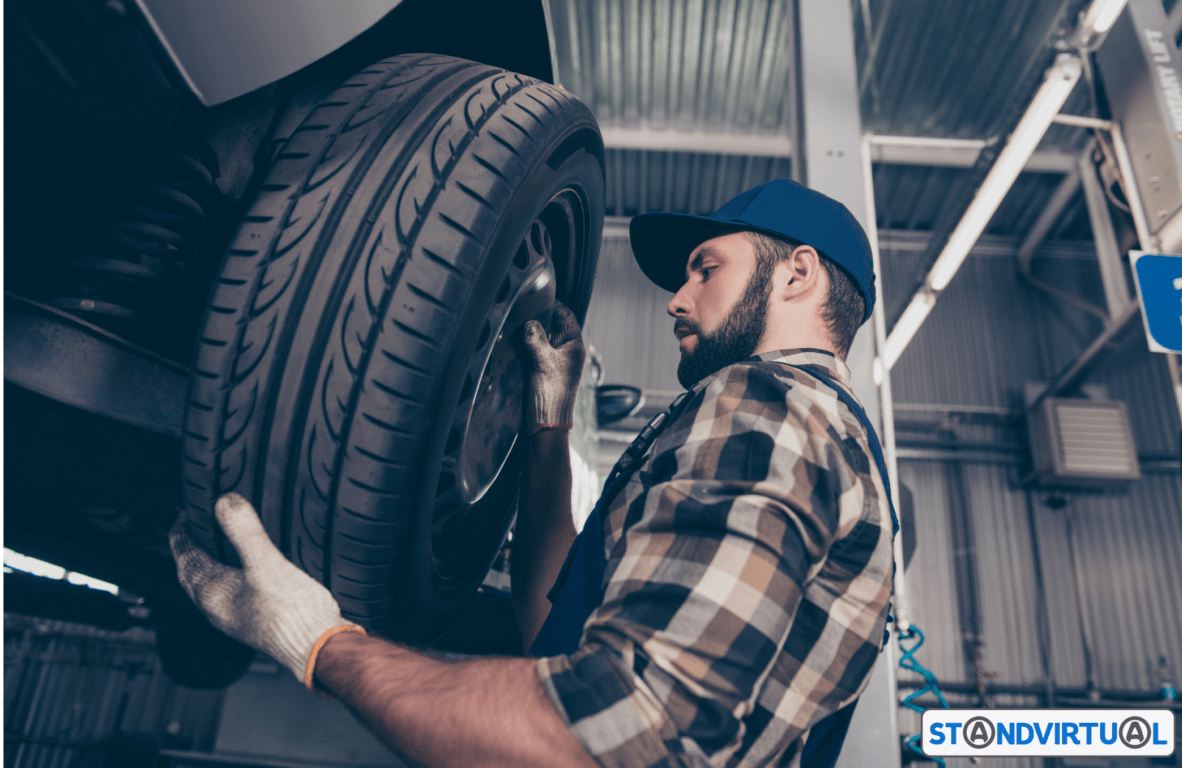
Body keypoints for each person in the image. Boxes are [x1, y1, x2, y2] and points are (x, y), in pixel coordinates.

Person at [170, 179, 896, 768]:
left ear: (796, 274)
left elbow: (615, 730)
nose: (677, 298)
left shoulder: (770, 405)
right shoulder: (809, 432)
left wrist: (324, 647)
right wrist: (548, 429)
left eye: (707, 268)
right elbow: (556, 634)